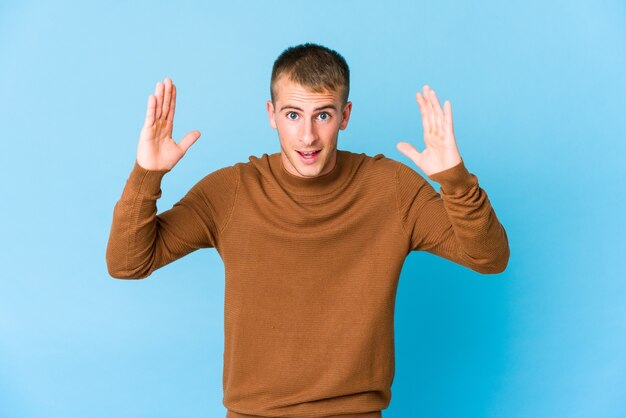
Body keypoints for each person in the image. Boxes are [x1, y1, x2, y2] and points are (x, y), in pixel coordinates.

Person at [106, 43, 509, 418]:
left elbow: (488, 258)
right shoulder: (232, 191)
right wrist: (147, 174)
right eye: (293, 114)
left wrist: (455, 181)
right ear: (271, 114)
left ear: (345, 116)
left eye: (323, 115)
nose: (307, 136)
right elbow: (127, 263)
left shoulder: (392, 189)